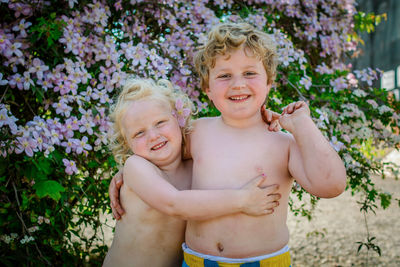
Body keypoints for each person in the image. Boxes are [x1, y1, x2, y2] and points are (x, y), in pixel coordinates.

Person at [110, 22, 347, 266]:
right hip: (197, 261)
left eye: (249, 73)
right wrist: (127, 173)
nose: (238, 84)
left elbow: (332, 185)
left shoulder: (283, 143)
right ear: (208, 89)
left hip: (262, 261)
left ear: (269, 82)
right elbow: (163, 154)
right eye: (224, 75)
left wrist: (302, 125)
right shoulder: (198, 132)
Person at [103, 78, 281, 267]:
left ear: (179, 120)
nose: (153, 136)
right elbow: (174, 203)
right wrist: (243, 200)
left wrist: (258, 121)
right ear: (126, 144)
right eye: (139, 133)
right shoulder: (136, 167)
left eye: (160, 122)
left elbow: (230, 140)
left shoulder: (194, 167)